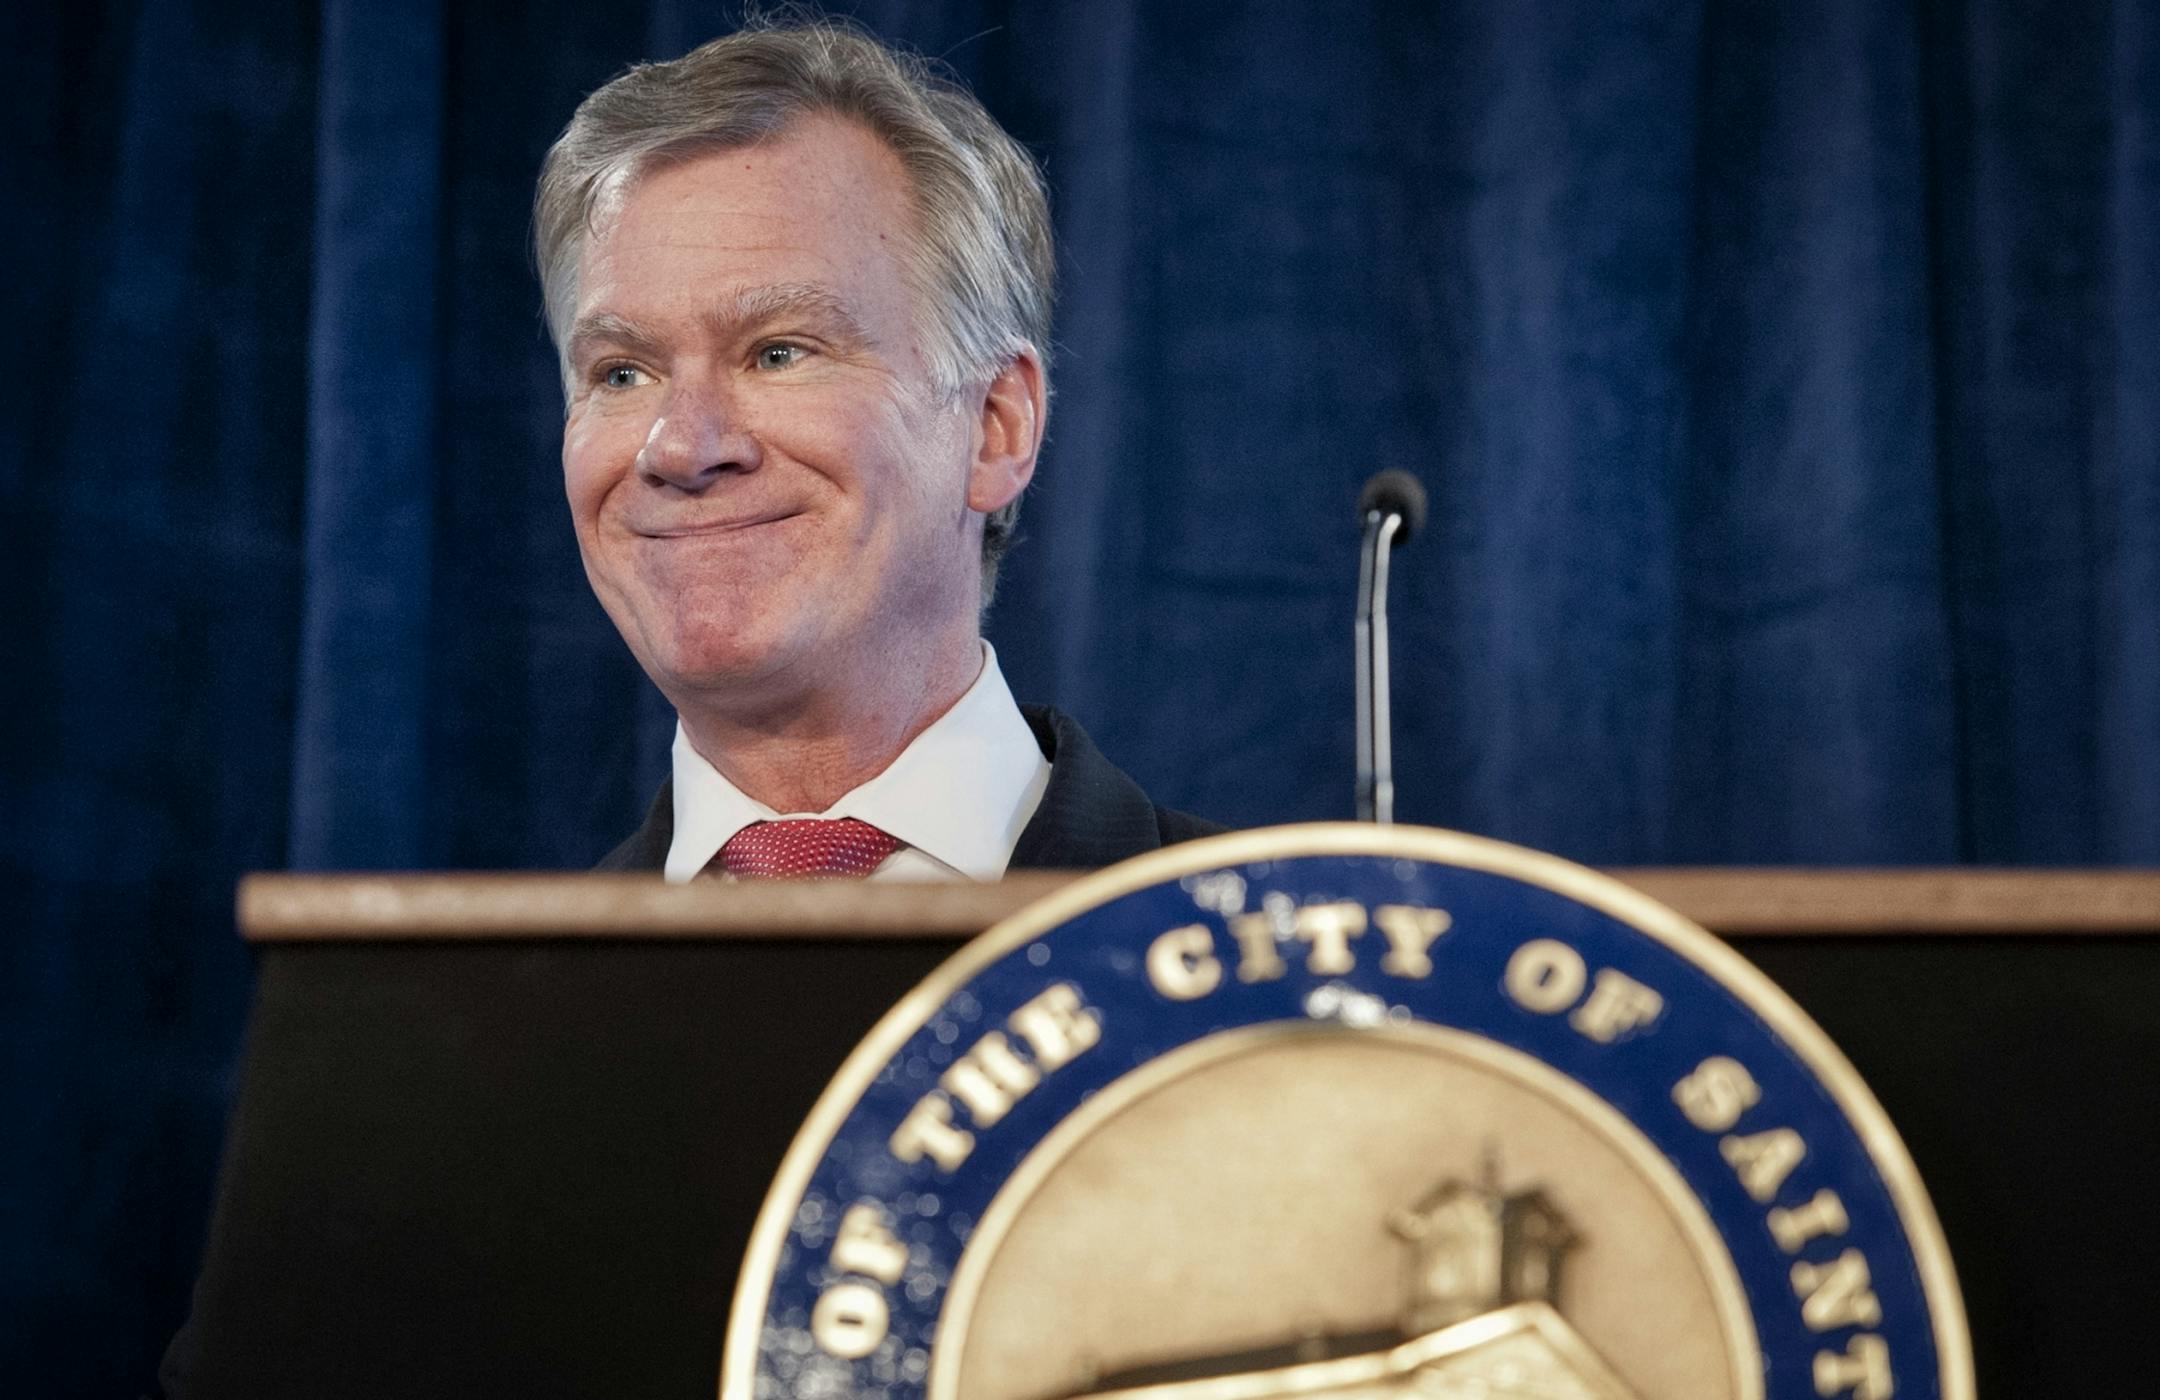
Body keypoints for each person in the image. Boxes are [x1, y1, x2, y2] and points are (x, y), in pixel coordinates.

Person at [534, 19, 1217, 879]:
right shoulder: (488, 1004)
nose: (681, 447)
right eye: (623, 373)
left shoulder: (1283, 974)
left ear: (996, 425)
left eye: (778, 353)